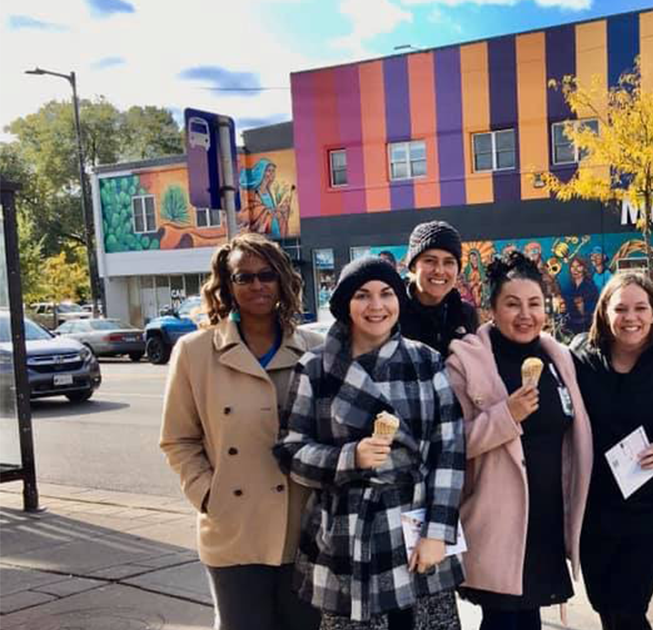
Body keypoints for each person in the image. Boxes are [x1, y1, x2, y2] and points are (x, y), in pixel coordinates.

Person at [274, 257, 466, 630]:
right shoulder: (315, 368)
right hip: (349, 533)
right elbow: (291, 451)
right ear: (345, 303)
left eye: (386, 294)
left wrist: (438, 533)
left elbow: (450, 452)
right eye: (363, 295)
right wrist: (350, 458)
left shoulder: (426, 362)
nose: (376, 306)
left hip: (417, 524)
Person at [160, 233, 323, 630]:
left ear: (283, 280)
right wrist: (208, 494)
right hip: (234, 526)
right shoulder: (195, 352)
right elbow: (178, 438)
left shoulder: (316, 349)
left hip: (303, 525)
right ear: (226, 285)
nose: (257, 286)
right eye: (243, 277)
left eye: (266, 275)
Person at [445, 251, 592, 630]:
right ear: (492, 308)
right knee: (503, 621)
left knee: (527, 621)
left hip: (544, 520)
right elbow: (449, 446)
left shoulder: (558, 357)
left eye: (534, 304)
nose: (525, 314)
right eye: (512, 304)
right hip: (497, 521)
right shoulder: (467, 362)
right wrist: (506, 416)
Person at [572, 272, 653, 630]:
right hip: (596, 511)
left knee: (627, 608)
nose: (631, 317)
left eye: (641, 308)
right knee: (605, 605)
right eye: (621, 308)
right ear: (604, 313)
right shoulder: (581, 359)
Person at [399, 221, 481, 356]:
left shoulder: (465, 314)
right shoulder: (394, 313)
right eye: (430, 261)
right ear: (413, 266)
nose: (439, 270)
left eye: (449, 262)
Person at [239, 158, 294, 239]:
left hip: (276, 231)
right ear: (262, 172)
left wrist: (283, 209)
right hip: (263, 234)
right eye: (269, 170)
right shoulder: (253, 193)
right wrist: (271, 212)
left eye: (273, 171)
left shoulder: (269, 191)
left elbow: (273, 210)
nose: (272, 173)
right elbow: (252, 212)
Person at [560, 256, 599, 336]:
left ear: (584, 268)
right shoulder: (567, 287)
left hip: (586, 329)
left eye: (579, 266)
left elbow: (594, 312)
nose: (575, 269)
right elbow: (563, 311)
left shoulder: (591, 287)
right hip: (569, 329)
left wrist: (582, 308)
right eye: (572, 267)